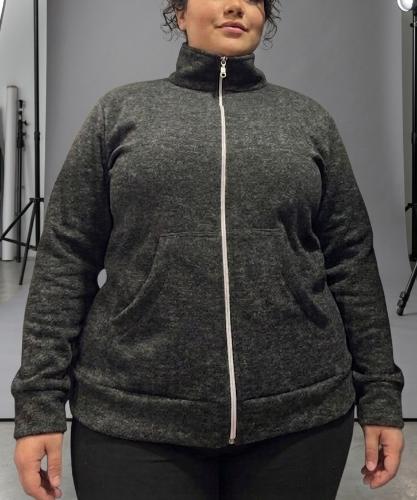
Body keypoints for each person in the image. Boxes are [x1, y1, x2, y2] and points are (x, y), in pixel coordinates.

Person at [11, 0, 406, 499]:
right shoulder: (120, 114)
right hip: (134, 419)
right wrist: (39, 404)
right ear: (179, 14)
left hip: (298, 419)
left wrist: (380, 394)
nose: (237, 5)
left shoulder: (308, 121)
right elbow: (66, 260)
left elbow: (351, 262)